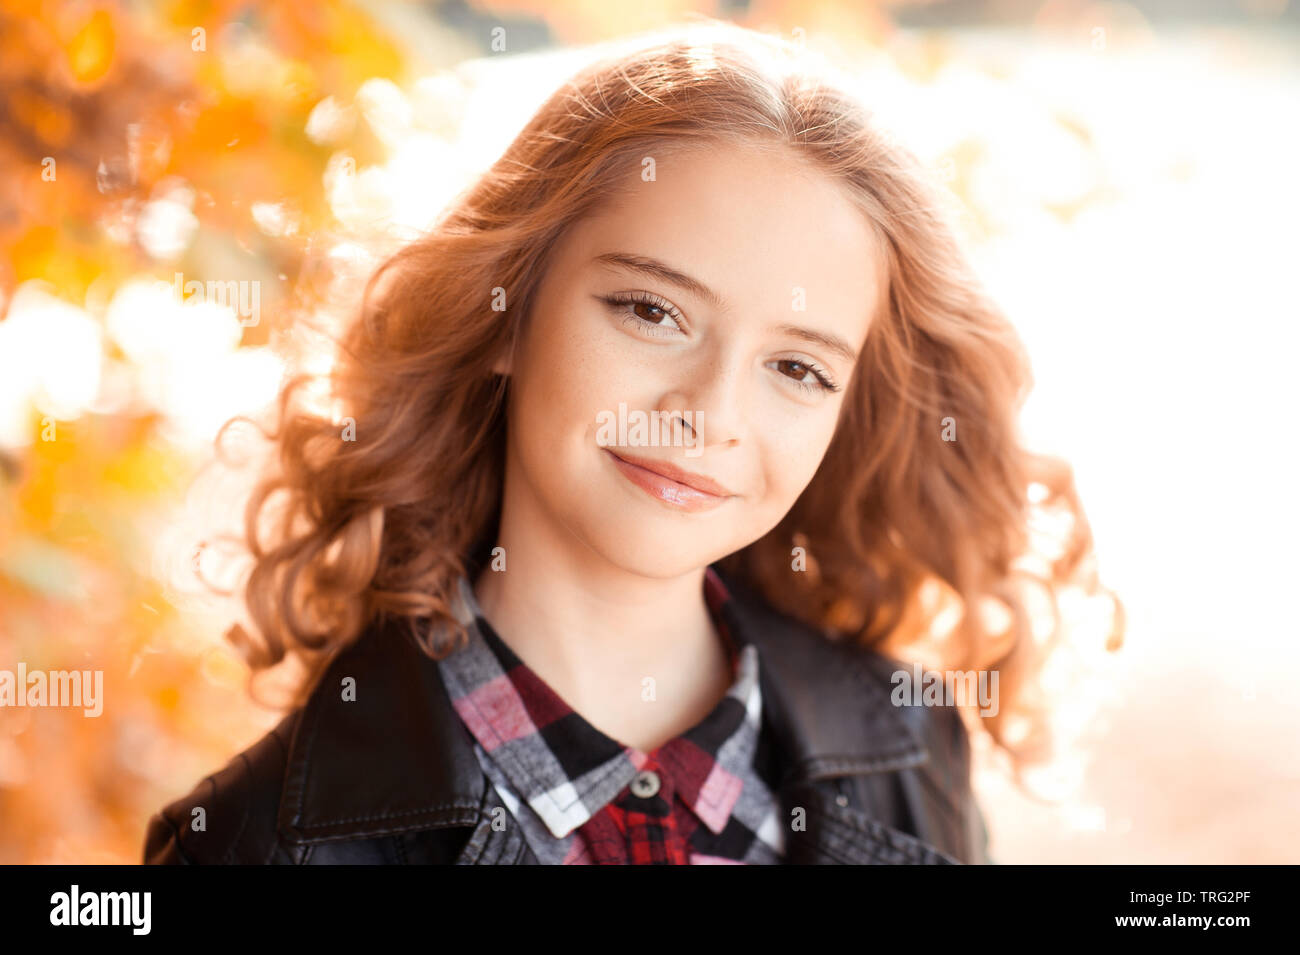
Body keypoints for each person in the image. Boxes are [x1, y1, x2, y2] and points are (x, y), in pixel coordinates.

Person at [142, 20, 1116, 865]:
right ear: (506, 312)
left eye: (797, 368)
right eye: (651, 311)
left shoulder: (912, 747)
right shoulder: (255, 843)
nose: (708, 412)